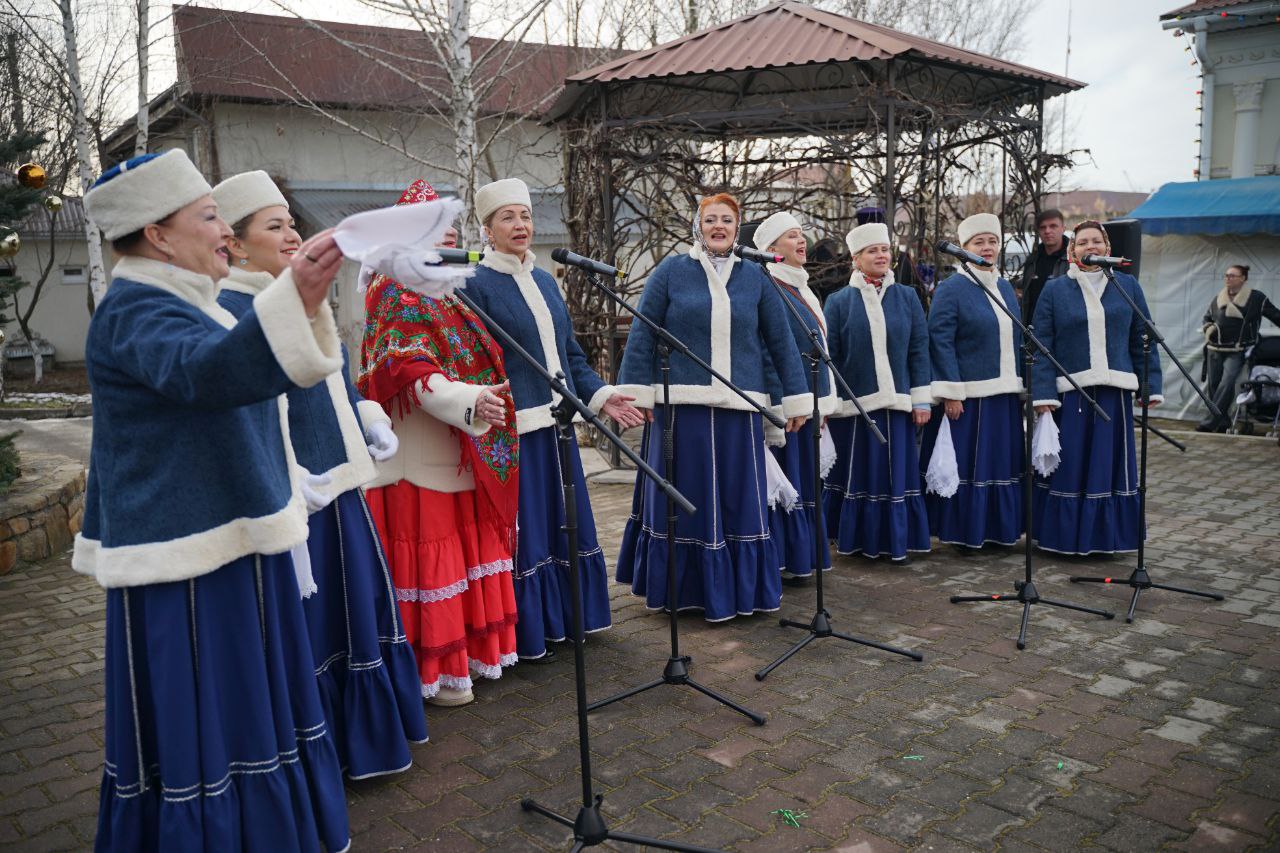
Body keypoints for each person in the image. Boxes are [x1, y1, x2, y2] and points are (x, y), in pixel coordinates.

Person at [77, 150, 349, 850]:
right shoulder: (135, 308)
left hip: (232, 542)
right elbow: (204, 376)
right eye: (209, 218)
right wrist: (299, 300)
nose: (225, 232)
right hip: (188, 562)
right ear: (158, 235)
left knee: (248, 713)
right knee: (219, 721)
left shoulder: (186, 302)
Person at [210, 171, 427, 775]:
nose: (291, 235)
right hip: (297, 502)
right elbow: (240, 411)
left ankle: (365, 741)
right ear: (234, 243)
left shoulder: (294, 296)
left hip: (340, 489)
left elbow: (327, 381)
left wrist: (362, 412)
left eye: (291, 223)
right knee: (319, 629)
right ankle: (323, 747)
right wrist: (281, 473)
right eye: (273, 226)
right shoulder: (231, 310)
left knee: (354, 615)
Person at [464, 178, 644, 661]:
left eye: (524, 215)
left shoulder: (544, 279)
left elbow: (569, 354)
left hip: (559, 423)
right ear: (487, 229)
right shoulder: (474, 285)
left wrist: (601, 396)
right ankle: (531, 630)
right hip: (516, 431)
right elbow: (476, 364)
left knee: (566, 525)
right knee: (532, 531)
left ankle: (573, 617)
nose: (520, 225)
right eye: (508, 217)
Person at [359, 179, 520, 706]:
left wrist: (475, 400)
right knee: (431, 562)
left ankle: (463, 663)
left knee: (460, 558)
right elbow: (411, 368)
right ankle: (430, 674)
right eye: (437, 224)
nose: (450, 232)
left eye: (451, 223)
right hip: (418, 456)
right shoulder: (392, 289)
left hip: (456, 447)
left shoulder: (442, 291)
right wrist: (471, 401)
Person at [615, 193, 811, 619]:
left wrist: (796, 397)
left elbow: (781, 342)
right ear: (697, 226)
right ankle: (683, 591)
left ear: (737, 228)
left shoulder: (755, 277)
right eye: (710, 220)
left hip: (740, 409)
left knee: (740, 500)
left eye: (726, 220)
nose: (718, 227)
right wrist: (637, 395)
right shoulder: (671, 271)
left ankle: (738, 592)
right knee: (686, 500)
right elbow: (642, 337)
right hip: (682, 410)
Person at [1030, 220, 1162, 555]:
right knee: (1073, 464)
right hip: (1072, 391)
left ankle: (1107, 538)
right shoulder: (1056, 289)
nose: (1091, 247)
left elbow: (1143, 338)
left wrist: (1150, 385)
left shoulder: (1127, 286)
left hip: (1114, 392)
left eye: (1097, 241)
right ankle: (1065, 538)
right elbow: (1041, 344)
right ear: (1072, 251)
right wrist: (1043, 394)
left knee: (1109, 464)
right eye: (1083, 242)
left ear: (1108, 248)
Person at [822, 221, 931, 562]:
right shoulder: (839, 302)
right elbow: (831, 356)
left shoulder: (908, 297)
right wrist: (831, 402)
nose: (881, 256)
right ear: (856, 258)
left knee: (896, 475)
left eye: (884, 250)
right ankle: (858, 540)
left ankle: (897, 540)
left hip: (898, 403)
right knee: (861, 473)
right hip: (855, 408)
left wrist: (922, 398)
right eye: (873, 251)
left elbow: (919, 349)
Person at [919, 213, 1024, 549]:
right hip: (969, 397)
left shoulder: (1005, 287)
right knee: (971, 466)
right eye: (979, 242)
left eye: (992, 241)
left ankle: (999, 530)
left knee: (1001, 464)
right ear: (963, 248)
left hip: (1003, 393)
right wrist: (951, 391)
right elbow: (941, 340)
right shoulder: (952, 289)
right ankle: (967, 532)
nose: (987, 247)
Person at [753, 211, 836, 583]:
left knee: (805, 480)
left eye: (802, 235)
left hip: (810, 400)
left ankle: (805, 557)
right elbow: (770, 351)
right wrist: (784, 403)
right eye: (791, 236)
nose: (801, 241)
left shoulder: (801, 285)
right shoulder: (770, 287)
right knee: (788, 482)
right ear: (771, 249)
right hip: (789, 405)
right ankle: (788, 559)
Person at [1198, 264, 1280, 432]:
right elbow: (1207, 317)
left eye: (1232, 275)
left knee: (1226, 384)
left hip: (1237, 350)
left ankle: (1209, 422)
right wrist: (1208, 328)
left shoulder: (1256, 298)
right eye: (1226, 275)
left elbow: (1276, 315)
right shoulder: (1218, 297)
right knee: (1213, 385)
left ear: (1243, 278)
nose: (1228, 278)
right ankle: (1223, 423)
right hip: (1214, 348)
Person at [1018, 208, 1070, 324]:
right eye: (1043, 227)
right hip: (1032, 331)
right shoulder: (1032, 261)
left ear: (1063, 229)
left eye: (1053, 226)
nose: (1047, 231)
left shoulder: (1073, 261)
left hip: (1062, 329)